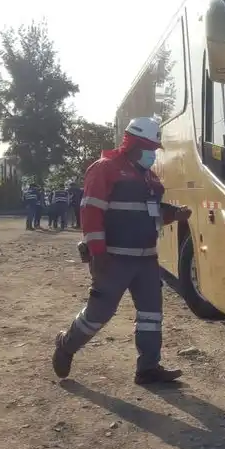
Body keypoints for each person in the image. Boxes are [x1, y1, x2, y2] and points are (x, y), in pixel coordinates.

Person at [52, 117, 192, 385]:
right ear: (133, 145)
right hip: (113, 258)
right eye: (148, 147)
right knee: (99, 314)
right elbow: (90, 212)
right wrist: (98, 252)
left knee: (151, 315)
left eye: (154, 148)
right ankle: (66, 346)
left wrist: (175, 214)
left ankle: (148, 368)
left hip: (146, 260)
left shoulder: (149, 177)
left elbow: (151, 216)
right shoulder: (105, 169)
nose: (152, 153)